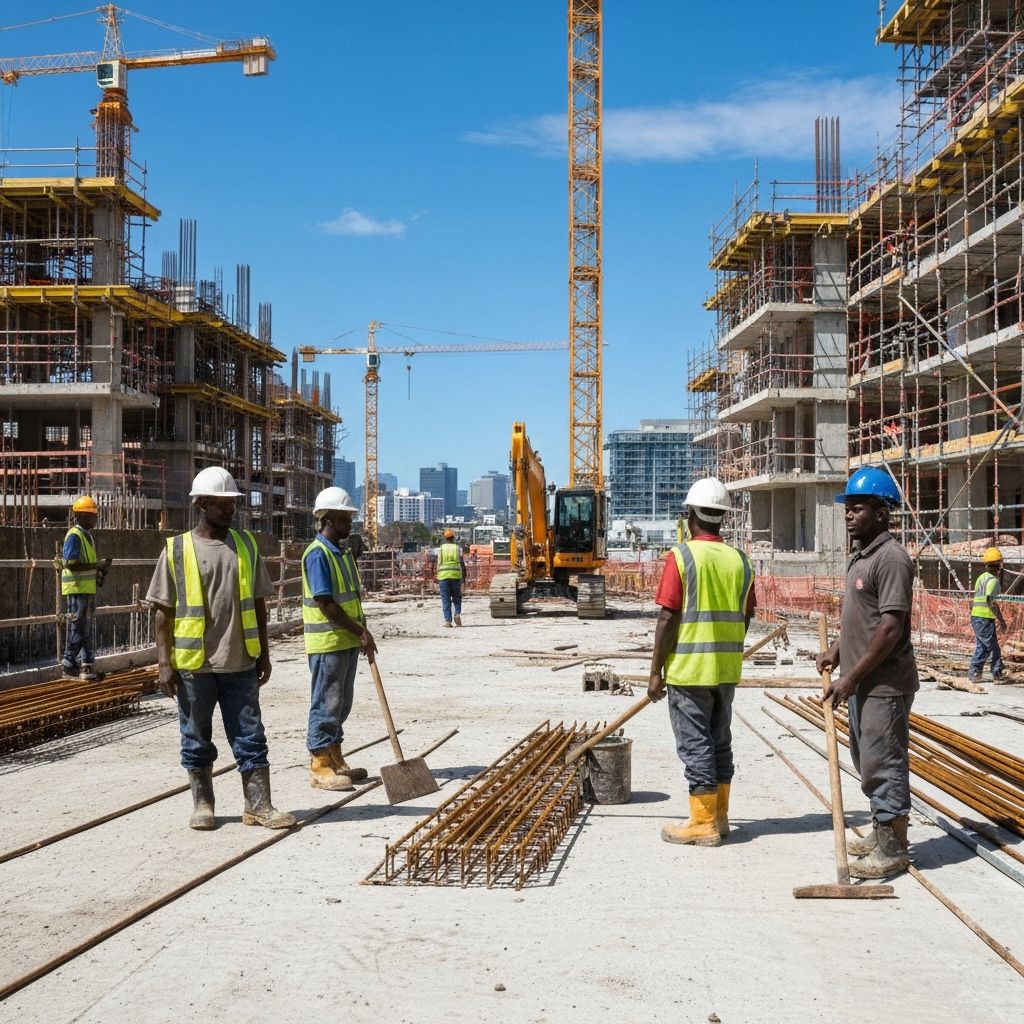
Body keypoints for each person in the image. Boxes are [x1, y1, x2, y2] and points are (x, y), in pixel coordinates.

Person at [146, 466, 295, 832]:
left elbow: (259, 603)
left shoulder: (245, 546)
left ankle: (258, 805)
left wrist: (264, 652)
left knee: (251, 736)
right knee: (195, 738)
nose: (230, 510)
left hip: (240, 661)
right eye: (222, 503)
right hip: (195, 666)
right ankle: (203, 803)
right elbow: (162, 612)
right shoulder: (177, 550)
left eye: (232, 503)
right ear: (201, 504)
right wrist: (164, 663)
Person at [816, 467, 918, 878]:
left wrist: (852, 677)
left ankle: (893, 847)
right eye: (847, 508)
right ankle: (882, 831)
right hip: (862, 680)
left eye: (857, 508)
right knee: (866, 758)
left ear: (881, 512)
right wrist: (837, 651)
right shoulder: (862, 558)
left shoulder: (891, 559)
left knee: (883, 762)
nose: (848, 515)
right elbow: (864, 620)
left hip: (884, 684)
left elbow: (891, 627)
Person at [648, 477, 755, 847]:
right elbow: (747, 614)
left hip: (690, 670)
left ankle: (703, 823)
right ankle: (720, 816)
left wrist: (655, 673)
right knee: (719, 741)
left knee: (695, 744)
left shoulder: (682, 556)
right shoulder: (741, 560)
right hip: (726, 670)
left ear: (690, 514)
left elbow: (667, 618)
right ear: (722, 517)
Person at [301, 486, 377, 791]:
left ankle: (334, 756)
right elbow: (326, 604)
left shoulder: (342, 553)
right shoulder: (318, 555)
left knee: (341, 703)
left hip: (345, 641)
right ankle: (320, 763)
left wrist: (358, 633)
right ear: (329, 519)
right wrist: (360, 631)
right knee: (326, 702)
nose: (350, 524)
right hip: (328, 642)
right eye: (346, 519)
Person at [61, 495, 112, 681]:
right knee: (78, 627)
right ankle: (68, 664)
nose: (95, 519)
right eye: (91, 516)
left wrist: (99, 570)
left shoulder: (86, 535)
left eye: (95, 515)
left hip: (86, 588)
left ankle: (87, 666)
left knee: (86, 628)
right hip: (76, 589)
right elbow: (71, 563)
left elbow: (87, 564)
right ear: (80, 516)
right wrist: (96, 566)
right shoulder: (74, 535)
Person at [969, 546, 1008, 682]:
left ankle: (995, 671)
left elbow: (977, 597)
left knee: (990, 646)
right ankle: (977, 671)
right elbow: (991, 602)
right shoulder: (994, 581)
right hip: (985, 617)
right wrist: (1001, 620)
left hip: (977, 616)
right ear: (999, 566)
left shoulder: (981, 577)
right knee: (987, 647)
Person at [436, 528, 467, 628]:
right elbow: (462, 563)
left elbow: (438, 564)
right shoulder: (458, 548)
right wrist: (464, 577)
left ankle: (448, 621)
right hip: (455, 576)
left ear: (445, 539)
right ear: (453, 538)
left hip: (443, 577)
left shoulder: (441, 549)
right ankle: (457, 614)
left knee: (446, 599)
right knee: (457, 598)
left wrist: (437, 577)